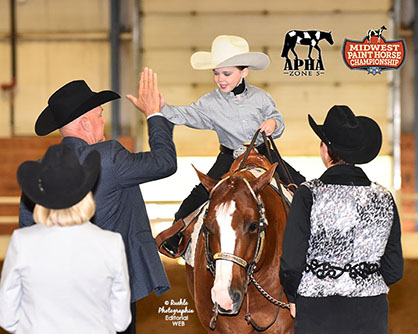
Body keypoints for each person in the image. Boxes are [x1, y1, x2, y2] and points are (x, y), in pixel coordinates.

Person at [18, 68, 177, 334]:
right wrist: (154, 114)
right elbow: (165, 163)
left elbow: (27, 231)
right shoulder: (109, 157)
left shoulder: (38, 170)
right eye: (100, 115)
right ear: (84, 123)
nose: (103, 121)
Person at [158, 35, 305, 257]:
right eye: (216, 73)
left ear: (244, 72)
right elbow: (187, 114)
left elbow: (277, 118)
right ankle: (178, 237)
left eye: (226, 73)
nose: (220, 79)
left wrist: (273, 123)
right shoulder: (209, 102)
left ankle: (313, 242)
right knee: (198, 196)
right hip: (229, 157)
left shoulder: (261, 97)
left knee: (301, 188)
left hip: (263, 152)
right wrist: (163, 107)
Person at [279, 105, 404, 334]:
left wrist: (293, 297)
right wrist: (366, 281)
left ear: (325, 150)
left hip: (318, 309)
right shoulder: (385, 197)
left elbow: (292, 261)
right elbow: (395, 269)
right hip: (371, 310)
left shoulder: (309, 194)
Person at [0, 144, 131, 333]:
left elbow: (8, 318)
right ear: (85, 194)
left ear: (41, 198)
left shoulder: (22, 242)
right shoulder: (111, 243)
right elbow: (120, 321)